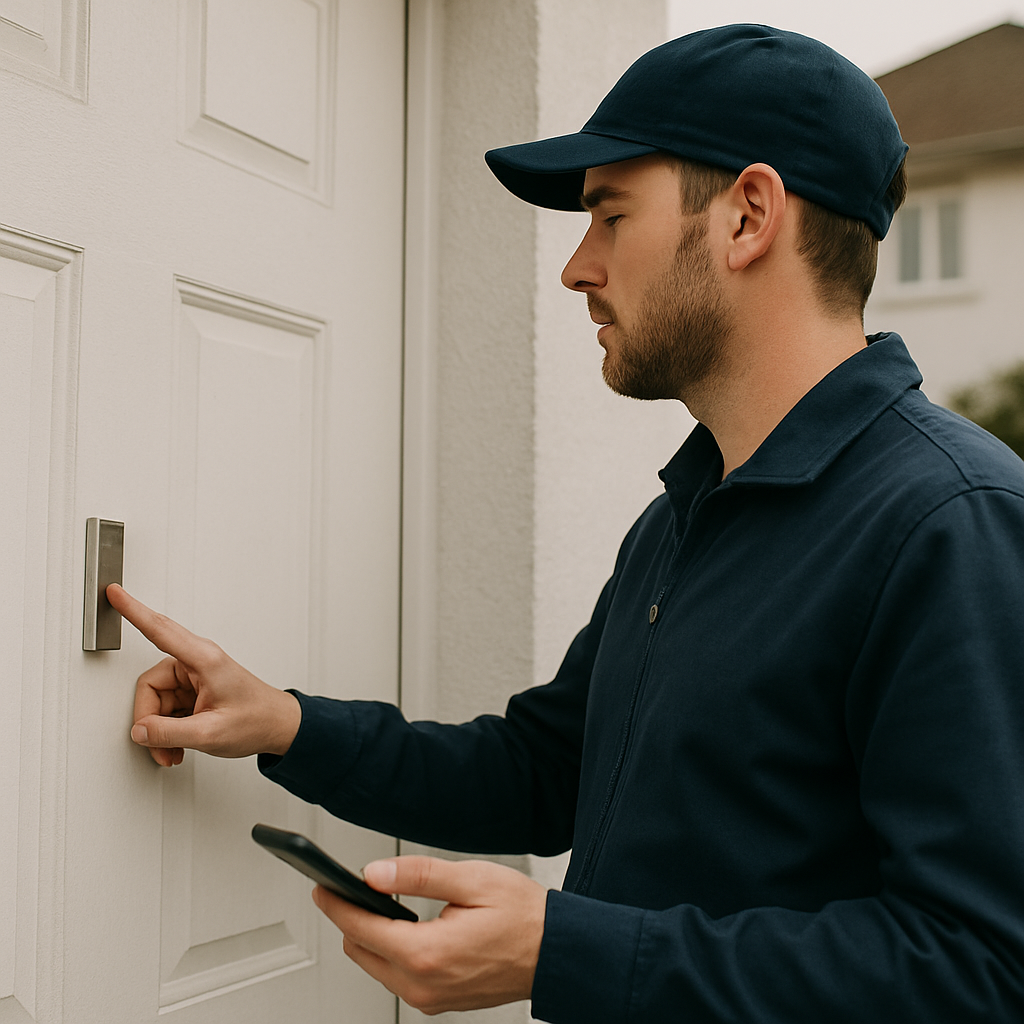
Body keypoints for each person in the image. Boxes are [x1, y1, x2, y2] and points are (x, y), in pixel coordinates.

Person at [108, 24, 1024, 1022]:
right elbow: (542, 772)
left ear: (747, 215)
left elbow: (976, 967)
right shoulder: (680, 521)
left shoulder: (951, 523)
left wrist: (567, 950)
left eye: (608, 213)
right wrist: (283, 723)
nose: (576, 268)